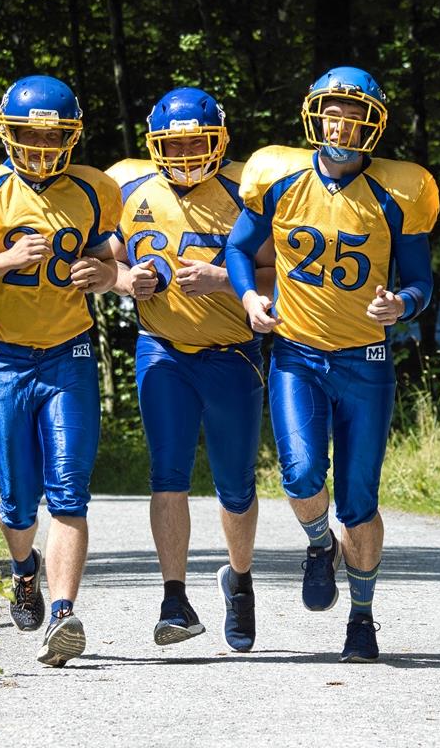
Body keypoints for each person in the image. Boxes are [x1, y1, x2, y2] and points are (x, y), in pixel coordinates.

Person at [224, 66, 438, 663]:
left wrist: (403, 302)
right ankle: (320, 545)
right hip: (297, 352)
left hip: (367, 361)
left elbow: (421, 282)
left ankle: (363, 617)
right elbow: (240, 249)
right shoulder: (280, 175)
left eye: (354, 111)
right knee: (298, 475)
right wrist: (248, 296)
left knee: (360, 503)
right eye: (333, 110)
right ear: (316, 113)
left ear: (373, 122)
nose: (341, 121)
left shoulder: (401, 191)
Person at [0, 75, 121, 667]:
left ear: (72, 137)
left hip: (71, 351)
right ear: (6, 133)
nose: (41, 150)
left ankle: (64, 614)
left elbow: (110, 260)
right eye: (28, 136)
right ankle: (24, 570)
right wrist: (8, 259)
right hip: (5, 358)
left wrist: (104, 276)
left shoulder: (93, 190)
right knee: (17, 500)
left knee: (69, 493)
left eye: (53, 137)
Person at [105, 87, 274, 652]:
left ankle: (240, 580)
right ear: (153, 145)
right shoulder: (127, 187)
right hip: (163, 347)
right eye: (172, 145)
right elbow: (106, 263)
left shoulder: (244, 188)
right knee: (167, 473)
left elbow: (286, 273)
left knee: (235, 485)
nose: (184, 155)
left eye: (196, 143)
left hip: (232, 352)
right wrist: (128, 281)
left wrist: (226, 280)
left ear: (219, 139)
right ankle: (173, 596)